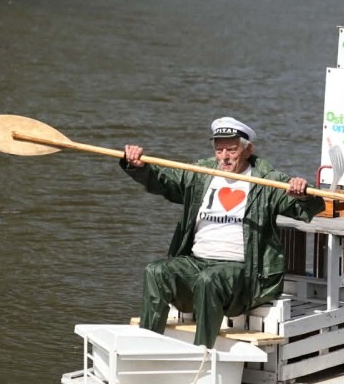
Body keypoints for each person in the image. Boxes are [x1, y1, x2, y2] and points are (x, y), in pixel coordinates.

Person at [121, 116, 324, 349]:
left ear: (248, 150)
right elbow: (164, 182)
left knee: (211, 280)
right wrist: (139, 166)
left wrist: (304, 194)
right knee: (156, 271)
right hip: (197, 262)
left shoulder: (268, 181)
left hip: (243, 273)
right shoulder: (200, 172)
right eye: (219, 150)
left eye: (231, 150)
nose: (224, 157)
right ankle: (145, 346)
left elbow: (304, 210)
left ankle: (202, 353)